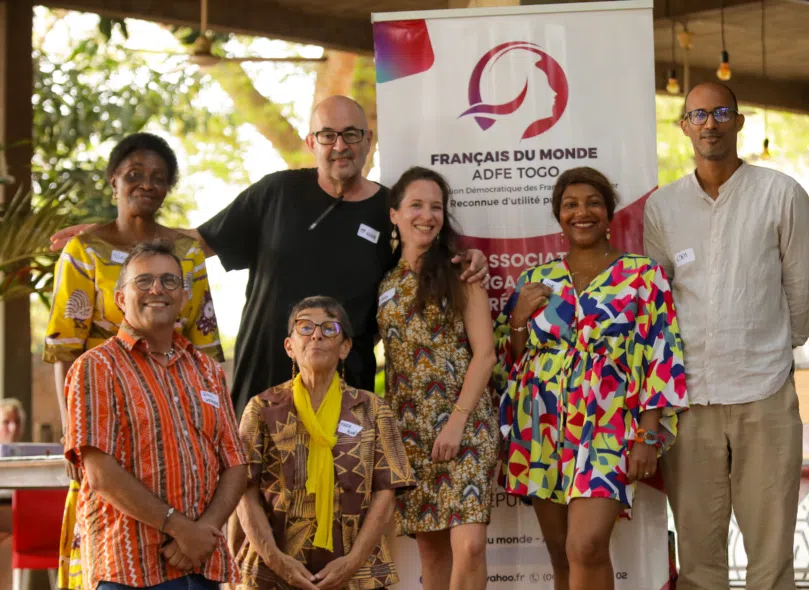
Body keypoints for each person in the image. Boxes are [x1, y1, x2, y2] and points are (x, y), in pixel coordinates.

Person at [48, 95, 488, 417]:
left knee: (342, 508)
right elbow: (195, 242)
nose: (340, 145)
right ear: (311, 141)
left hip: (345, 391)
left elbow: (424, 260)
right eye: (328, 135)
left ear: (368, 140)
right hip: (261, 385)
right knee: (252, 511)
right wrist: (112, 232)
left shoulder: (389, 210)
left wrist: (468, 260)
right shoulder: (275, 192)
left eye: (351, 134)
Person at [9, 242, 248, 590]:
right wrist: (180, 528)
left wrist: (201, 532)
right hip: (130, 563)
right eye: (144, 281)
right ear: (120, 298)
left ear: (183, 296)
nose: (157, 289)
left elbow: (235, 465)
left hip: (198, 562)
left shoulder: (206, 371)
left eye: (169, 280)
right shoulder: (95, 368)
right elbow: (99, 473)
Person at [644, 81, 809, 590]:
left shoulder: (780, 193)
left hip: (765, 391)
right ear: (684, 127)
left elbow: (804, 291)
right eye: (698, 114)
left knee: (770, 537)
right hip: (689, 397)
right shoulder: (663, 207)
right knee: (698, 542)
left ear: (739, 121)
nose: (710, 123)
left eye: (720, 112)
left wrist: (770, 348)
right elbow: (658, 301)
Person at [496, 167, 688, 590]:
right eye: (570, 204)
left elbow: (661, 353)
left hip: (609, 426)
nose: (581, 212)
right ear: (558, 216)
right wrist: (518, 319)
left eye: (592, 203)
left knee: (585, 546)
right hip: (541, 428)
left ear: (610, 213)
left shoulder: (642, 276)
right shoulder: (537, 278)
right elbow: (512, 360)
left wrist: (649, 431)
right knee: (561, 554)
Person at [44, 132, 224, 590]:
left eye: (159, 178)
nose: (147, 184)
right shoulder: (84, 250)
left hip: (178, 416)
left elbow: (205, 346)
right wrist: (73, 435)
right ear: (114, 181)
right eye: (135, 174)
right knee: (111, 529)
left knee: (180, 523)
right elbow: (65, 348)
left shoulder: (187, 253)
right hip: (105, 413)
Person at [228, 296, 415, 590]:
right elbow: (243, 490)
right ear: (289, 346)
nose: (316, 335)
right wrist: (274, 558)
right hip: (277, 560)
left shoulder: (372, 409)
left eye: (329, 328)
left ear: (345, 347)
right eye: (305, 327)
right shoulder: (262, 408)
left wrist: (353, 561)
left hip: (351, 562)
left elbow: (386, 492)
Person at [380, 168, 499, 590]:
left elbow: (486, 354)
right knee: (431, 555)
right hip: (409, 431)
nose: (427, 215)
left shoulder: (460, 271)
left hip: (465, 425)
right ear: (395, 215)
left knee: (468, 546)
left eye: (436, 206)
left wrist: (456, 422)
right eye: (416, 205)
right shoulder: (384, 282)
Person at [0, 397, 26, 590]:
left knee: (6, 542)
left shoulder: (32, 458)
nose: (12, 428)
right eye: (6, 422)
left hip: (26, 529)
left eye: (16, 422)